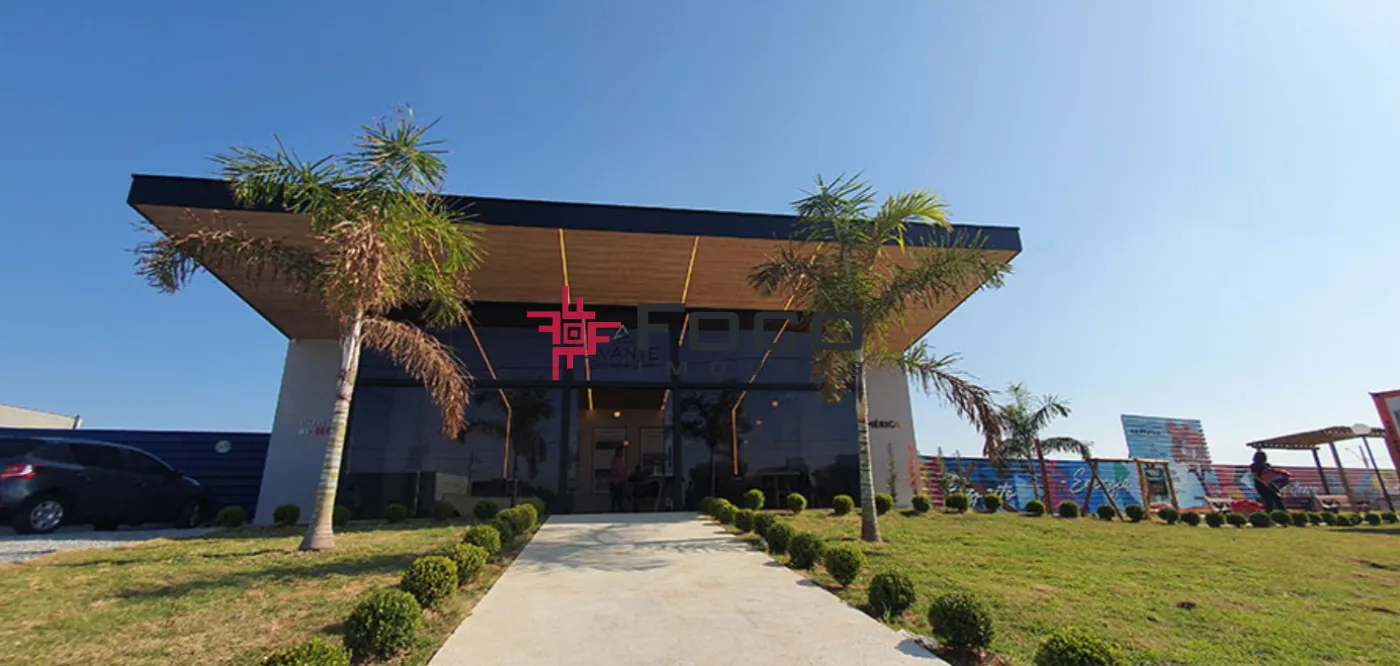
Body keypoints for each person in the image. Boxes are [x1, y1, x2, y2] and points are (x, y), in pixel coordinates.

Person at [609, 447, 628, 512]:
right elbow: (615, 470)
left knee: (620, 497)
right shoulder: (615, 461)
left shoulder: (622, 460)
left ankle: (620, 508)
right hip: (615, 482)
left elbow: (623, 470)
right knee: (614, 497)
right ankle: (614, 509)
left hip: (620, 481)